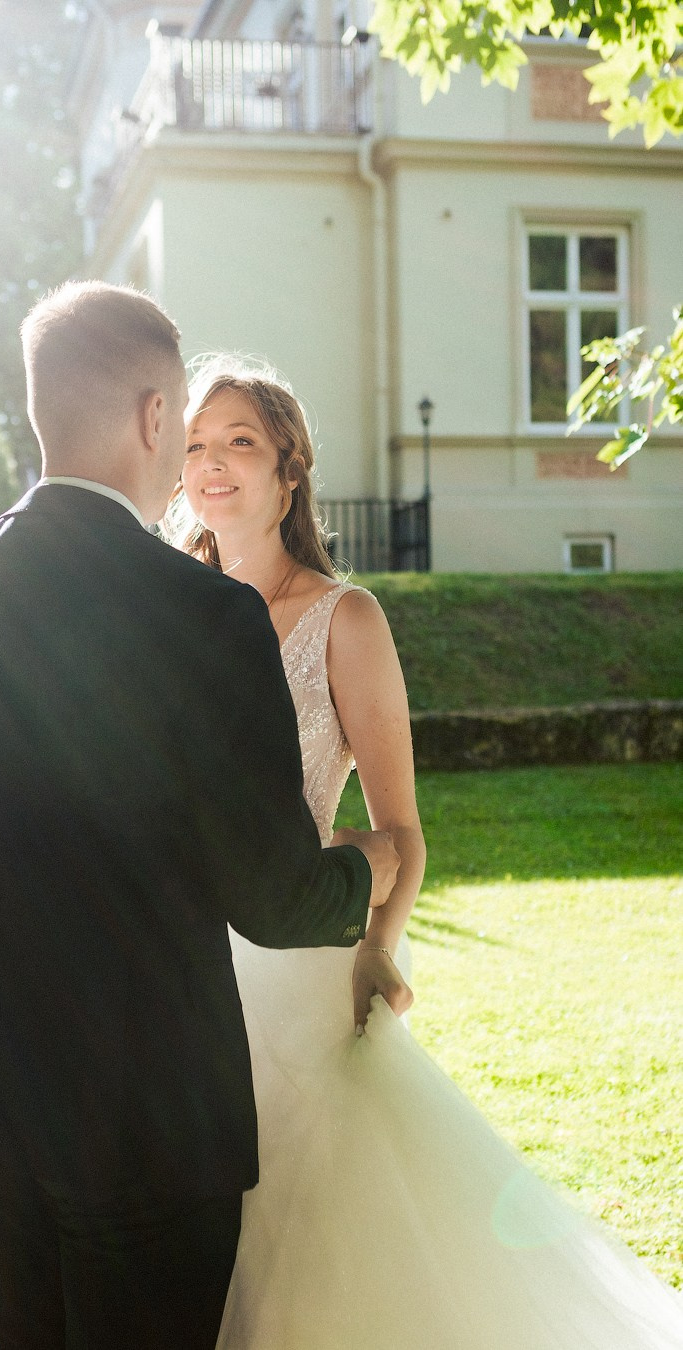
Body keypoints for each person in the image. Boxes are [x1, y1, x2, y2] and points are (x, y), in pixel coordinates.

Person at [0, 284, 400, 1350]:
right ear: (154, 417)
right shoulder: (207, 618)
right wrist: (368, 863)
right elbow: (275, 899)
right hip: (148, 1109)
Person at [168, 357, 683, 1349]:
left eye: (239, 441)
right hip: (175, 966)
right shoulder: (161, 610)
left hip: (299, 966)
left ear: (289, 470)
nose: (213, 463)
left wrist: (380, 948)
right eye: (194, 443)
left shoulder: (342, 618)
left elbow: (400, 829)